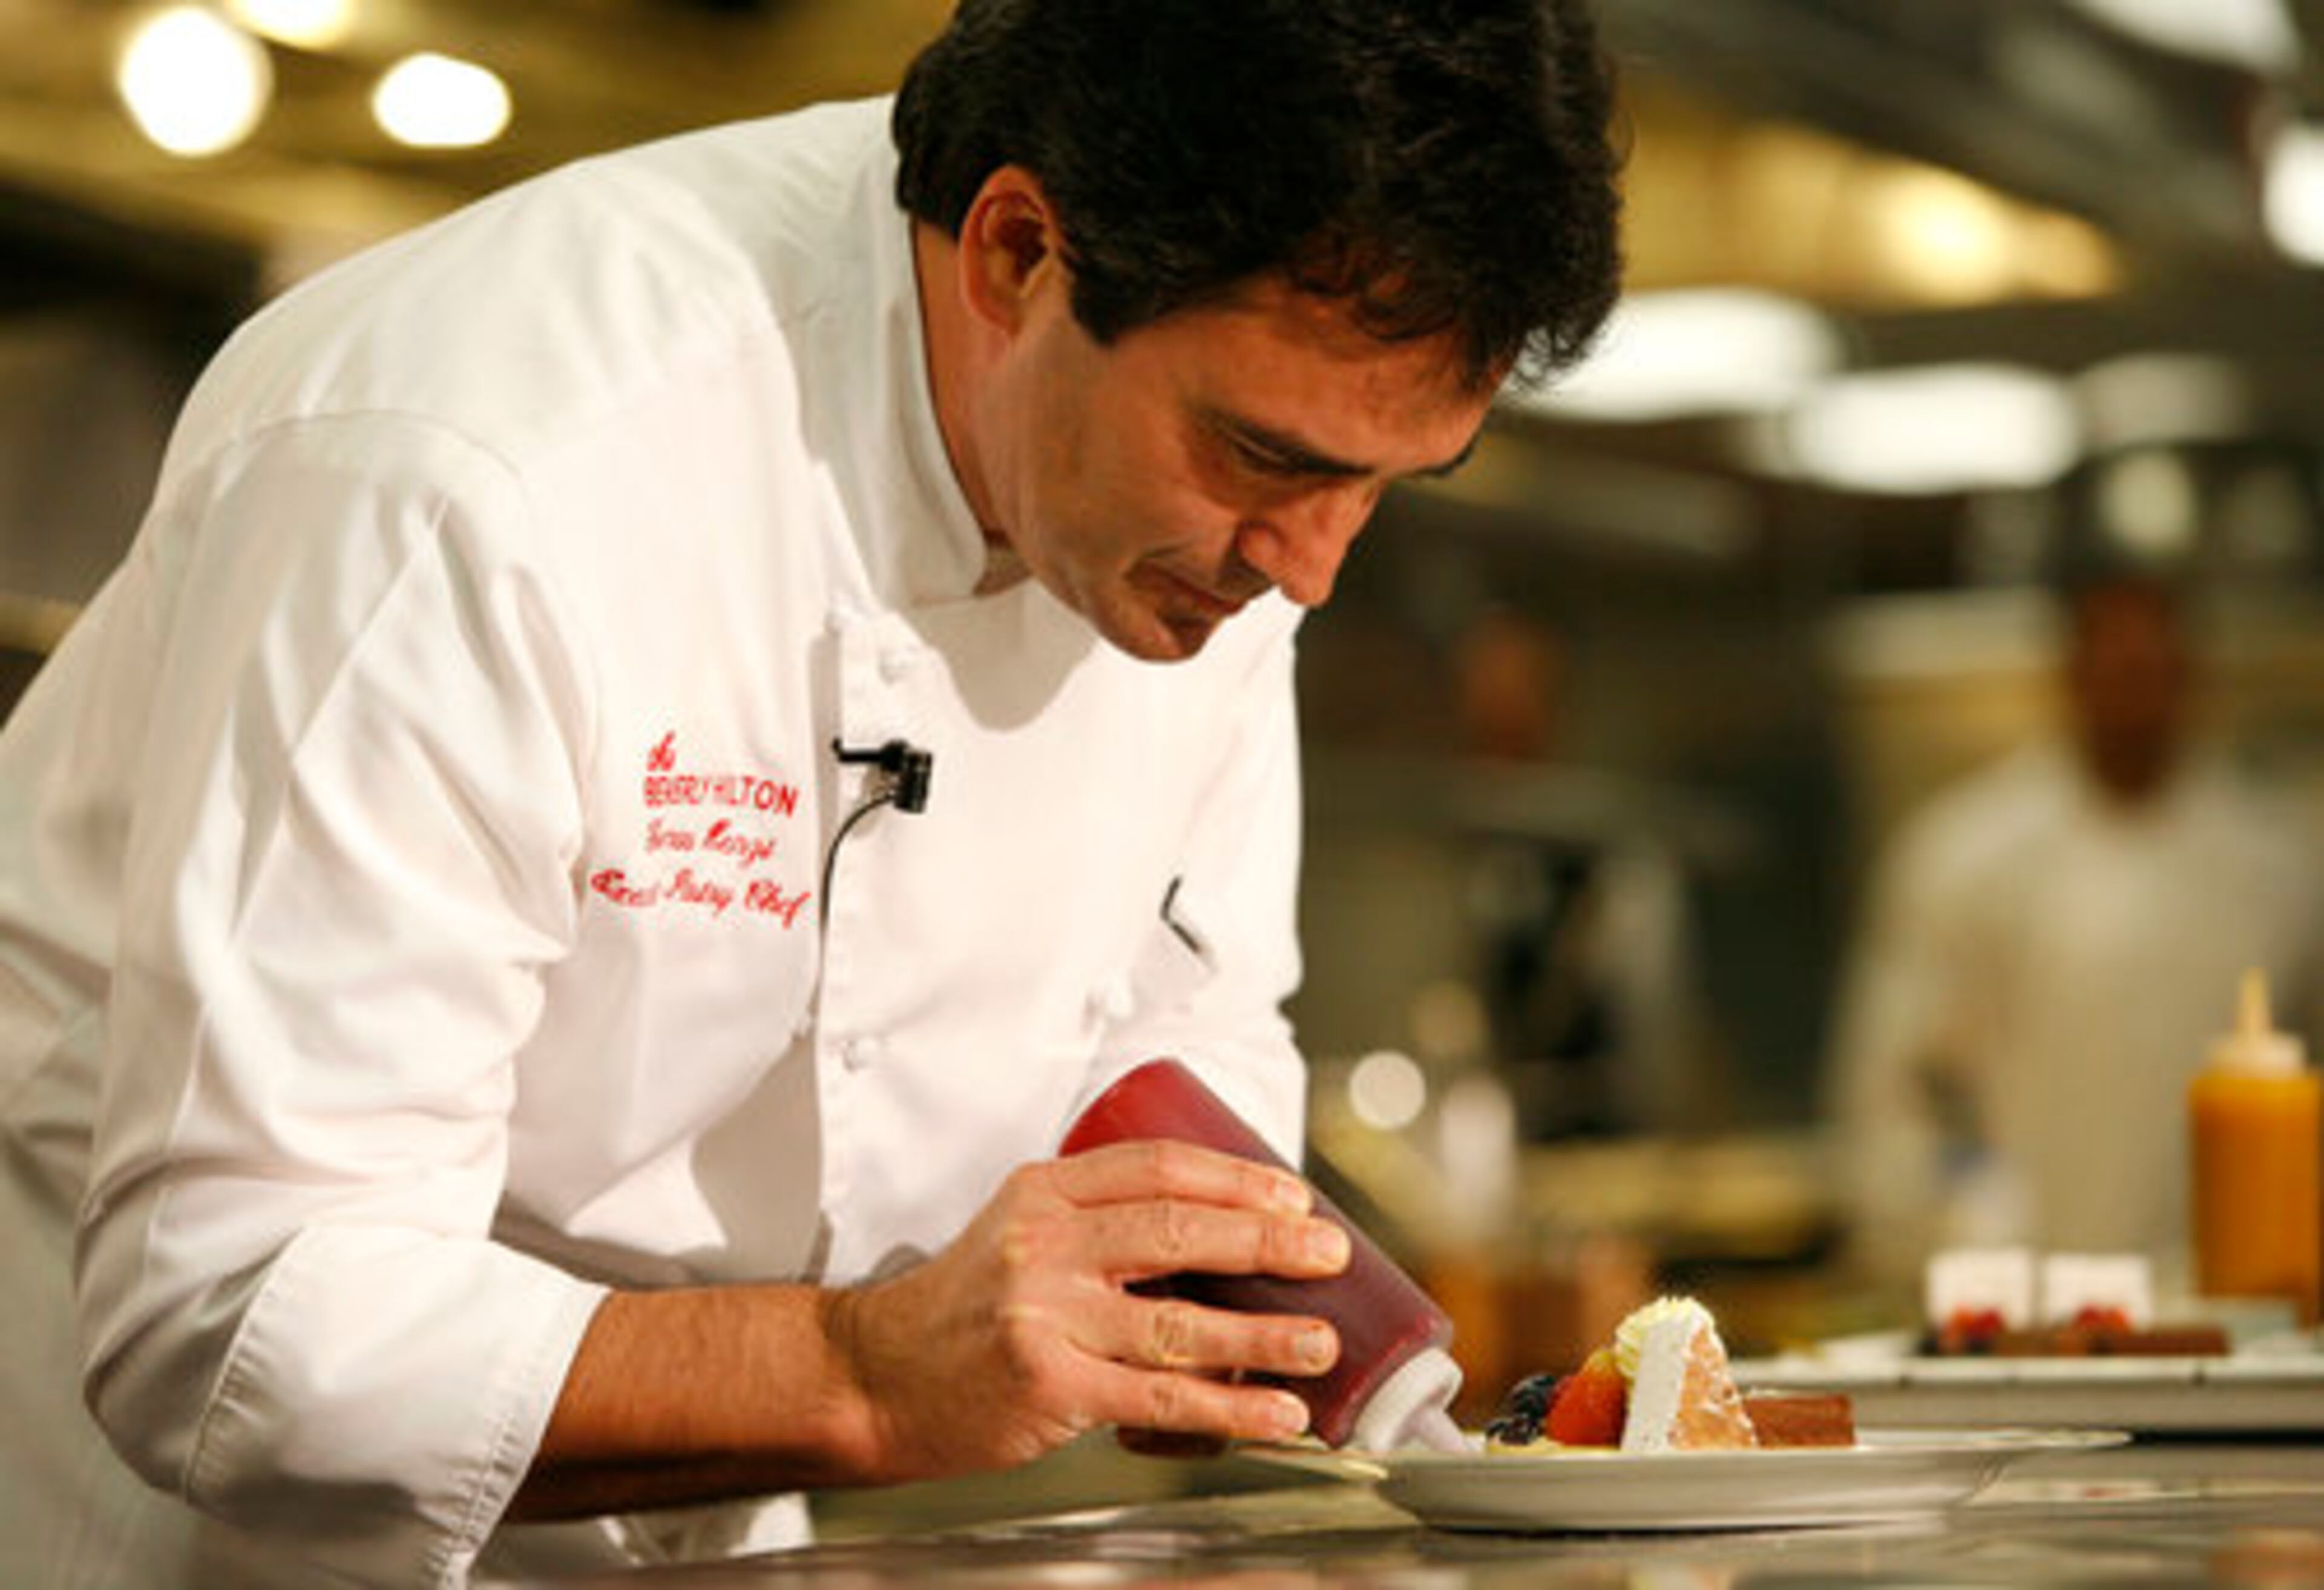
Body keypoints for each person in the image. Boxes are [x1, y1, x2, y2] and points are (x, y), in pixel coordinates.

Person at [0, 1, 1624, 1584]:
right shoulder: (473, 469)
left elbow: (1169, 1029)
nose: (1314, 572)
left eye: (1381, 486)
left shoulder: (1202, 532)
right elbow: (231, 1320)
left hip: (706, 1515)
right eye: (1267, 459)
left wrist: (1254, 1323)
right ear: (1015, 255)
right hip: (153, 1530)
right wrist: (863, 1370)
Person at [1828, 571, 2324, 1289]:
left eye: (2153, 668)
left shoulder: (2279, 866)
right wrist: (1956, 1230)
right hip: (2027, 1287)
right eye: (2114, 667)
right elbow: (1896, 1085)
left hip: (2234, 1291)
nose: (2133, 693)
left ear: (2191, 678)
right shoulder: (1967, 855)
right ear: (2071, 675)